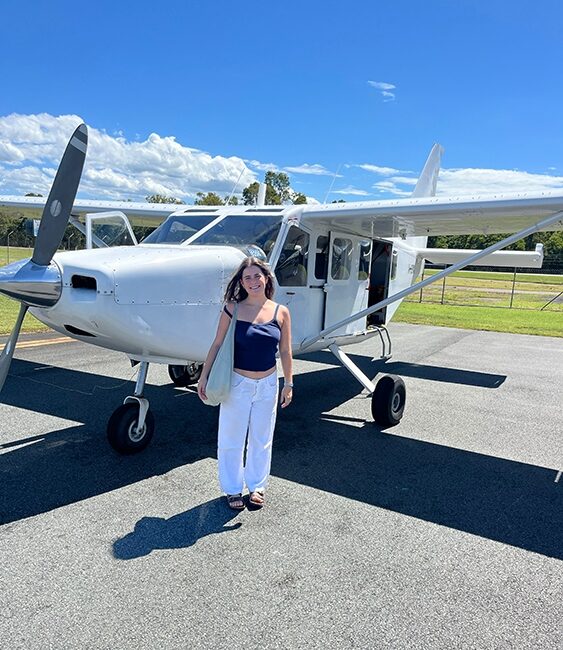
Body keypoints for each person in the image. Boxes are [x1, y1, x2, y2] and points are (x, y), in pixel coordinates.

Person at [197, 257, 293, 510]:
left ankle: (257, 487)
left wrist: (289, 383)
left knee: (262, 438)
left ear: (266, 278)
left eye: (257, 276)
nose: (253, 281)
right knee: (231, 438)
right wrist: (204, 376)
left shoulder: (280, 311)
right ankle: (232, 489)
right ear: (241, 282)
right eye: (247, 277)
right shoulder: (232, 308)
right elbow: (217, 344)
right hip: (238, 383)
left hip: (269, 384)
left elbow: (285, 351)